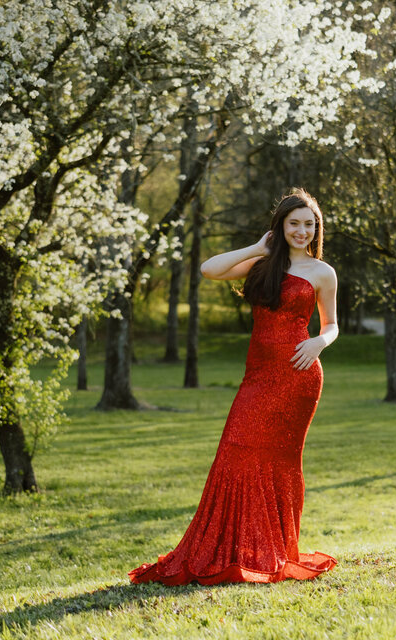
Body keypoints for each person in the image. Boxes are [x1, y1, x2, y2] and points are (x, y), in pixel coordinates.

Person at [129, 188, 339, 585]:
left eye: (309, 224)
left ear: (316, 228)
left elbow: (332, 325)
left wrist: (318, 342)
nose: (302, 231)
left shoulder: (322, 272)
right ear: (280, 226)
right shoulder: (261, 264)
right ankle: (233, 549)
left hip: (298, 375)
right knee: (236, 451)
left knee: (281, 461)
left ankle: (275, 548)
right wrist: (256, 246)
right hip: (258, 375)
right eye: (294, 223)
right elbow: (209, 268)